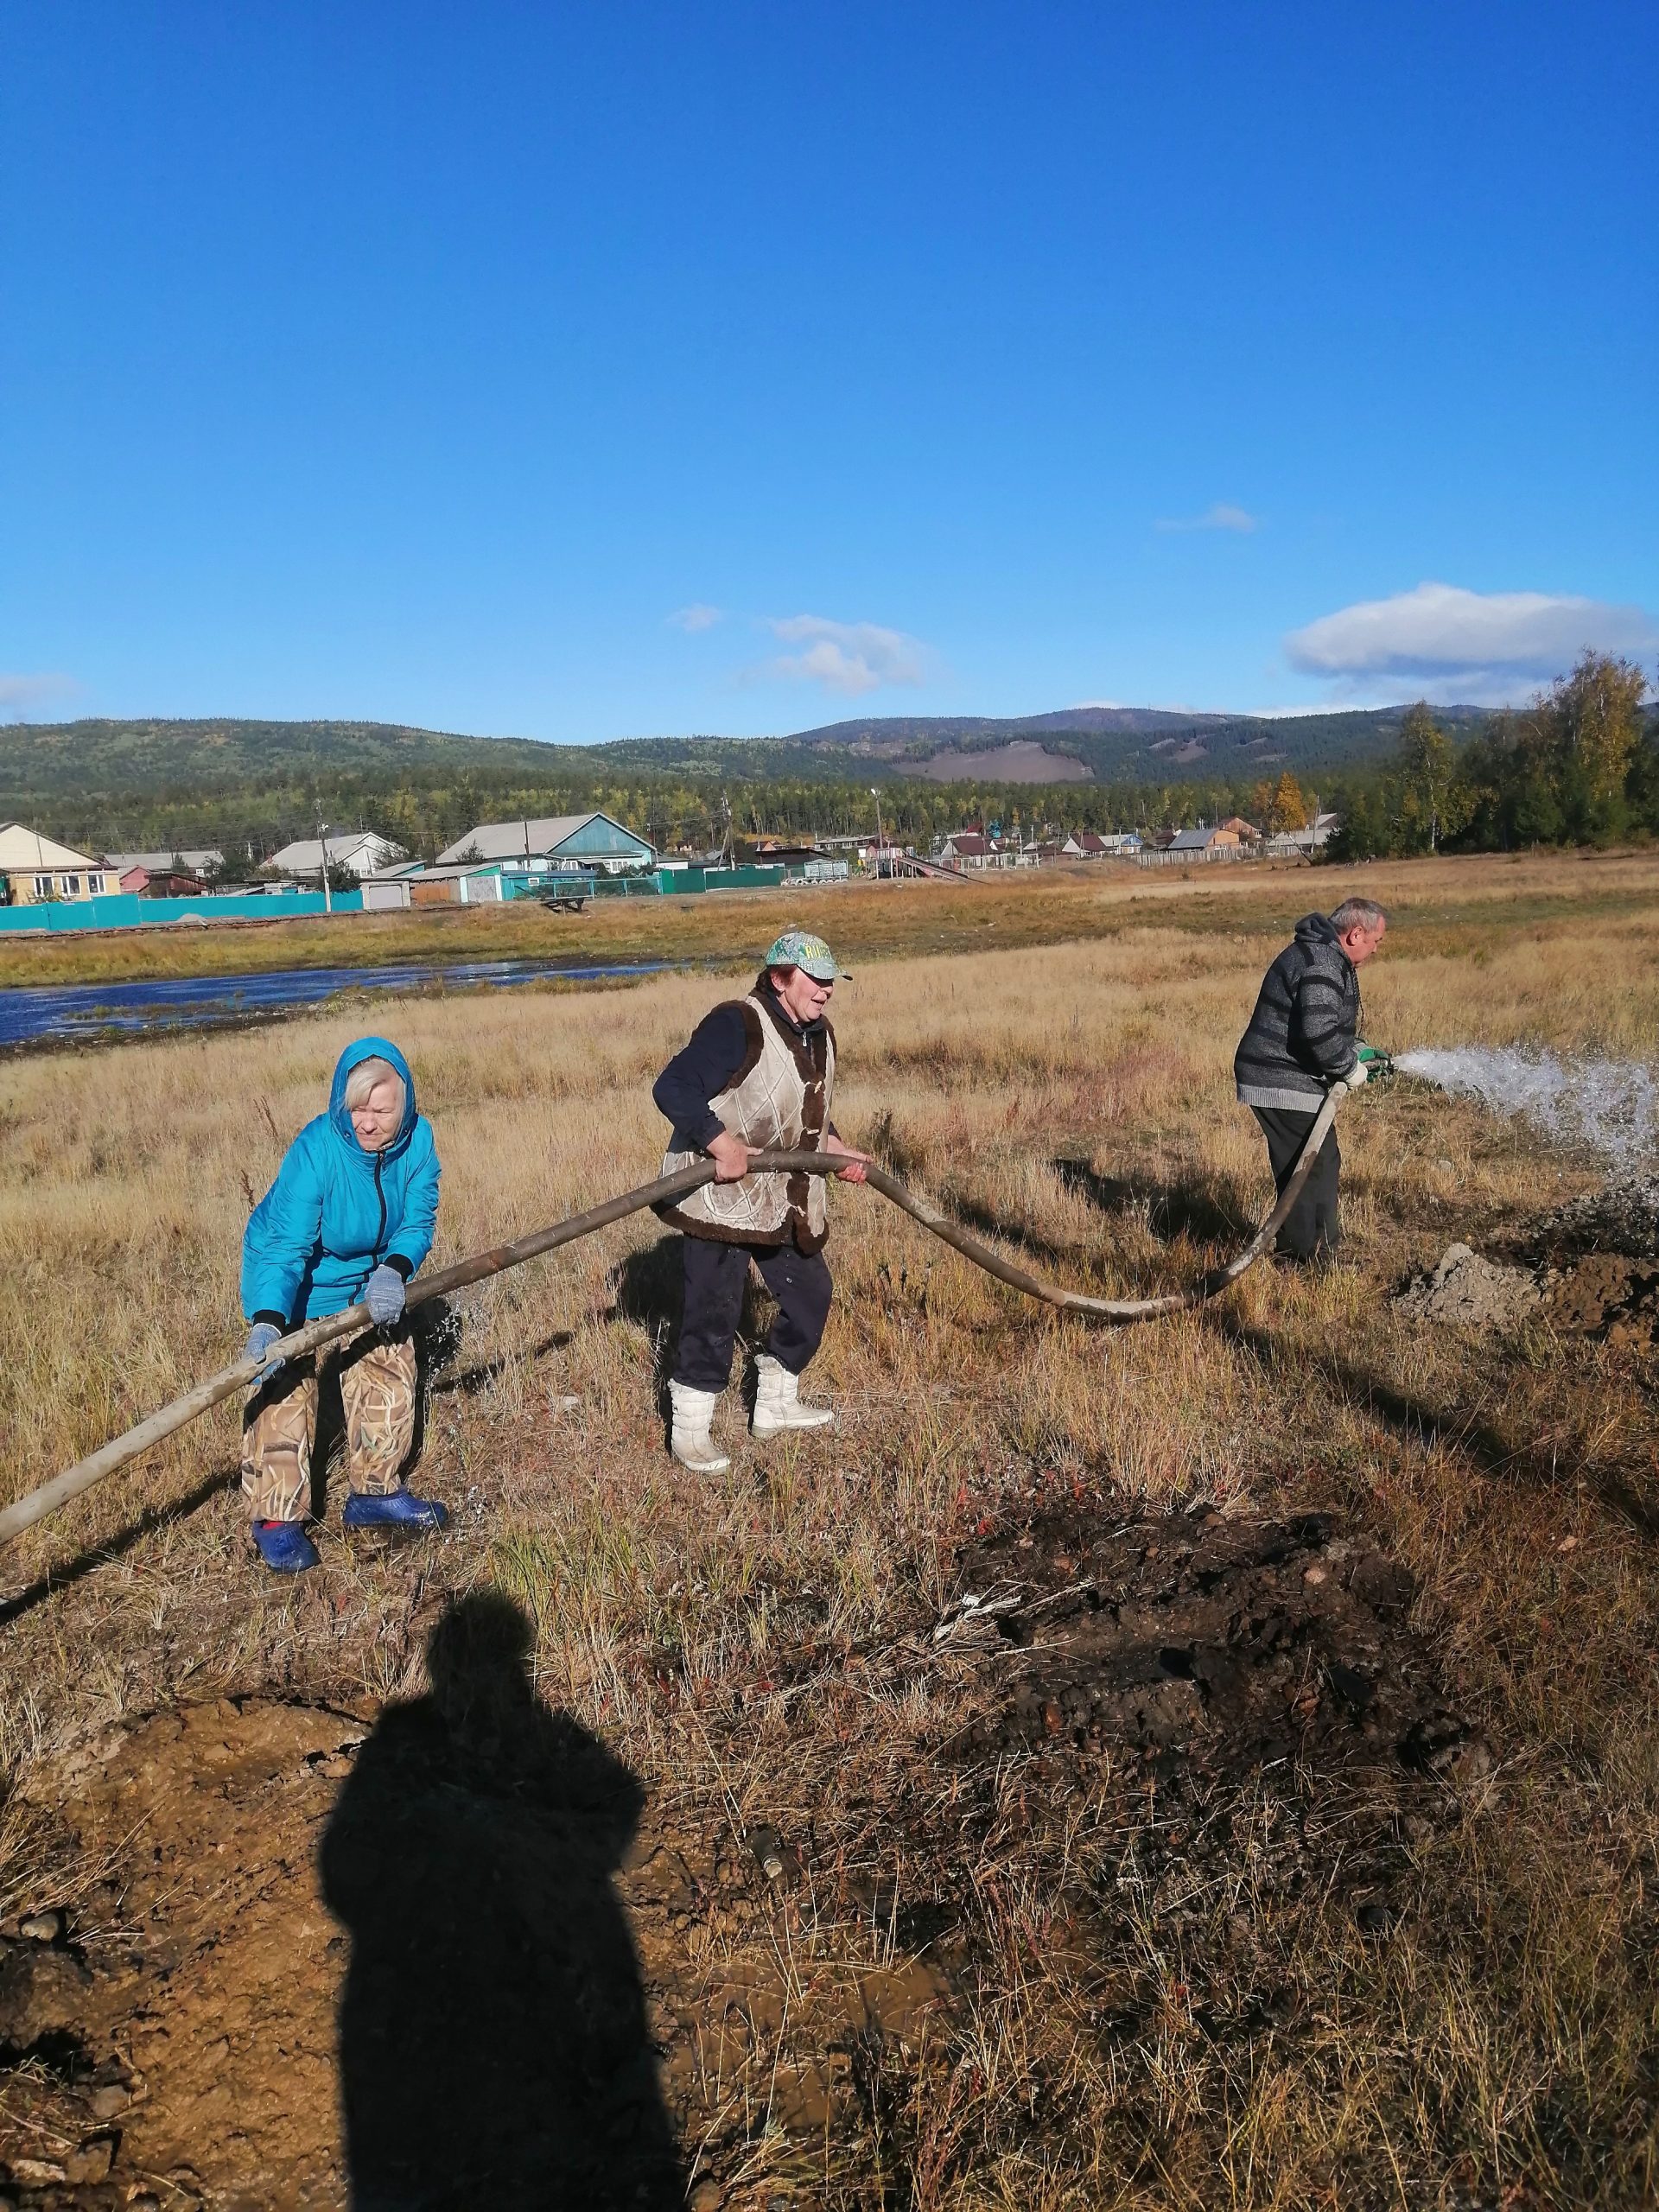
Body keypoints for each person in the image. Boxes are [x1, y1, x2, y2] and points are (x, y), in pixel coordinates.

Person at [652, 930, 871, 1473]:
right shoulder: (736, 1023)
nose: (825, 992)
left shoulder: (817, 1034)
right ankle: (692, 1431)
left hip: (784, 1197)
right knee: (713, 1311)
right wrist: (720, 1142)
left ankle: (773, 1404)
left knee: (811, 1296)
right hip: (721, 1198)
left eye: (830, 983)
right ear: (779, 978)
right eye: (814, 981)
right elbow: (672, 1086)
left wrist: (835, 1147)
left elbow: (803, 1104)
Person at [239, 1035, 445, 1572]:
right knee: (282, 1387)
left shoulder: (418, 1143)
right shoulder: (317, 1150)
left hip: (370, 1278)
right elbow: (286, 1246)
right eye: (358, 1108)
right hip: (298, 1278)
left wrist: (395, 1271)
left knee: (390, 1364)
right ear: (341, 1102)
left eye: (382, 1109)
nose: (369, 1122)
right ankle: (277, 1515)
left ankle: (374, 1492)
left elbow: (418, 1220)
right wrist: (268, 1321)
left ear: (406, 1105)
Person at [1233, 897, 1388, 1263]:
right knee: (1309, 1168)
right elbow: (1318, 1033)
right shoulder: (1321, 962)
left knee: (1318, 1161)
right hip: (1279, 1077)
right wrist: (1348, 1068)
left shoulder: (1322, 954)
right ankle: (1307, 1259)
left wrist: (1353, 1050)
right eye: (1376, 941)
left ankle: (1308, 1249)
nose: (1376, 949)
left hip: (1288, 1074)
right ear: (1355, 934)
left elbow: (1321, 1024)